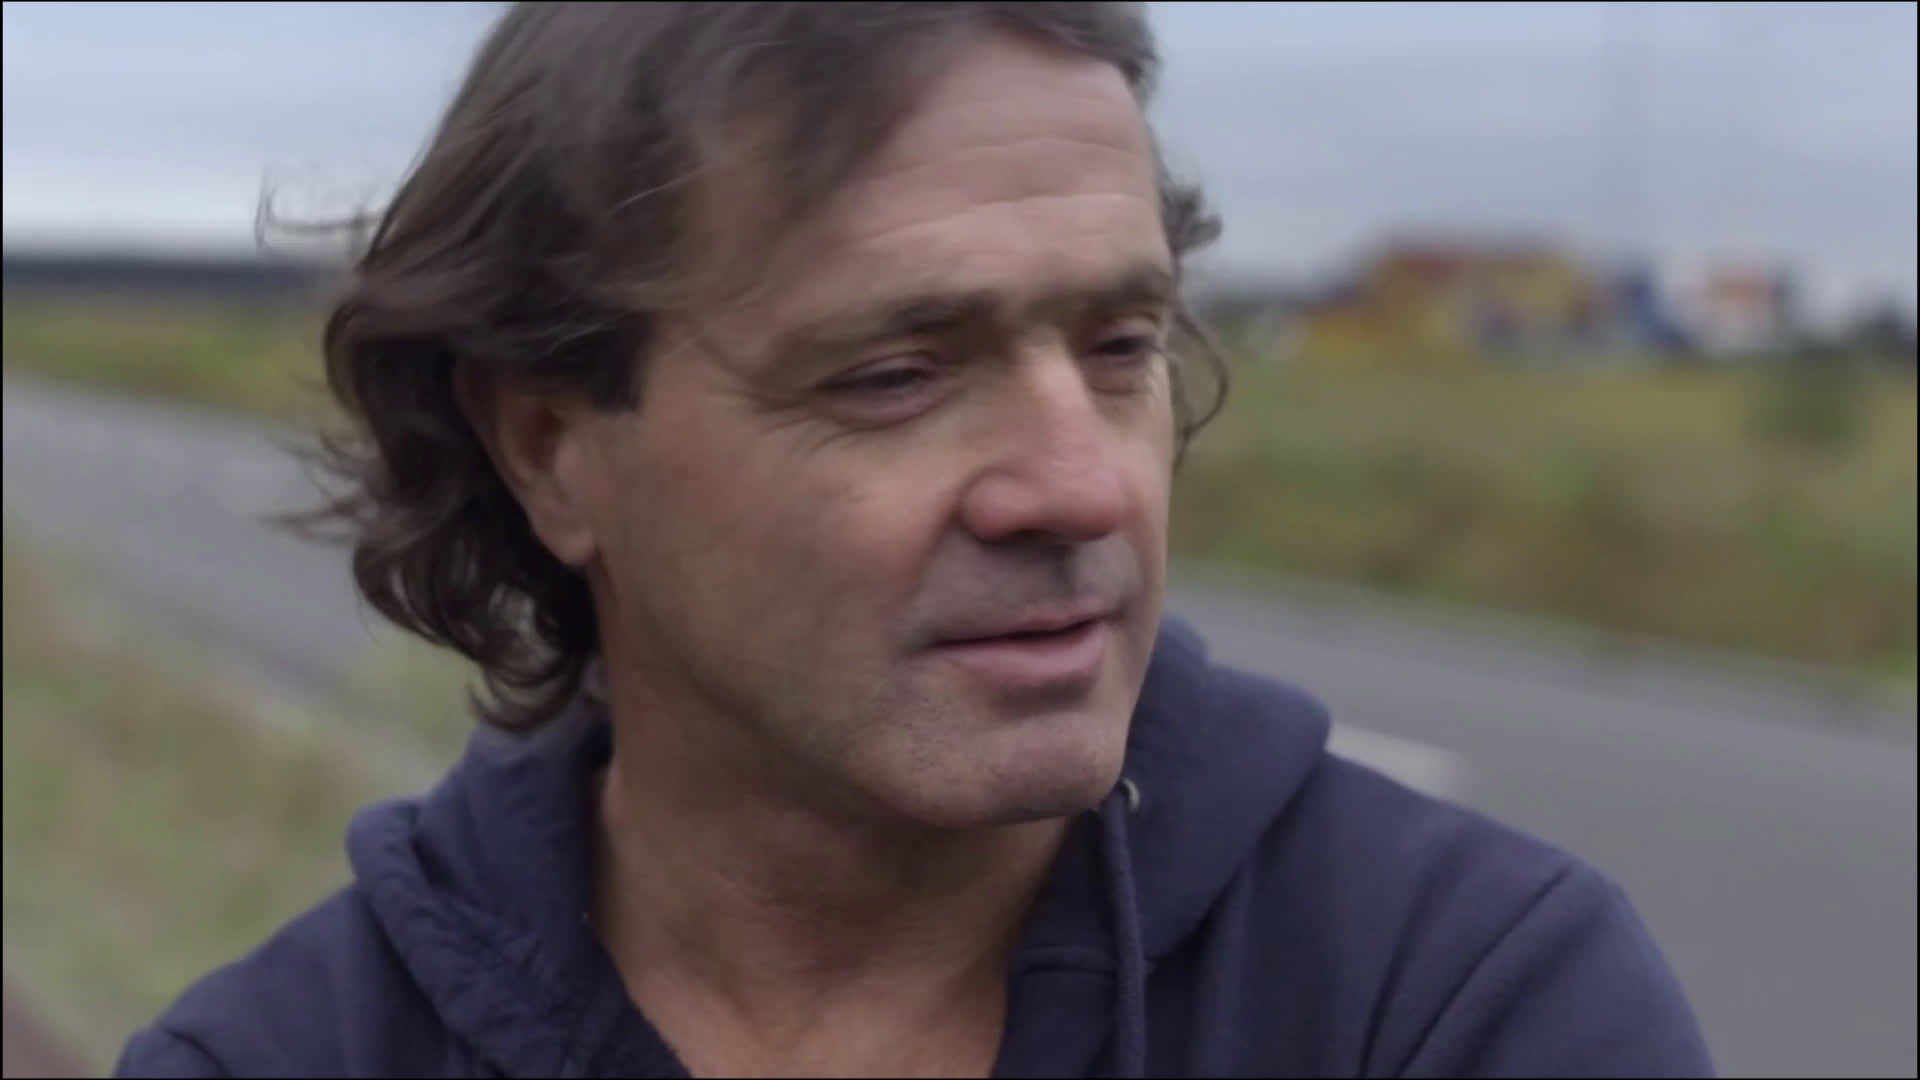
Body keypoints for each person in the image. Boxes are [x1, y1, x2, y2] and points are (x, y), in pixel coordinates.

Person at [114, 3, 1717, 1077]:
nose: (1081, 489)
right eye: (893, 376)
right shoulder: (285, 1056)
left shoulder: (1457, 1001)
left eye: (1121, 347)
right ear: (550, 449)